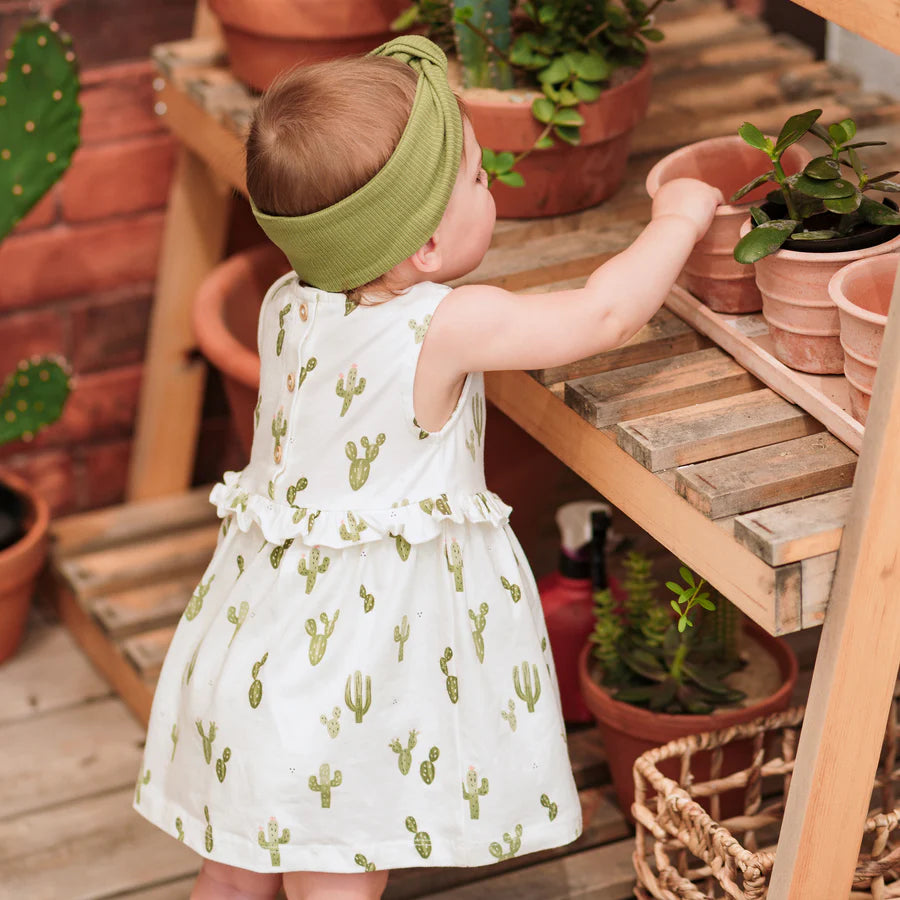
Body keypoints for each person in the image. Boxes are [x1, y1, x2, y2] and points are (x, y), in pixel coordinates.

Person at [131, 35, 722, 900]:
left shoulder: (287, 301)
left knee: (237, 864)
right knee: (337, 858)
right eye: (480, 180)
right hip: (349, 677)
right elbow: (600, 313)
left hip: (254, 650)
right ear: (429, 251)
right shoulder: (443, 324)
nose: (494, 189)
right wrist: (680, 215)